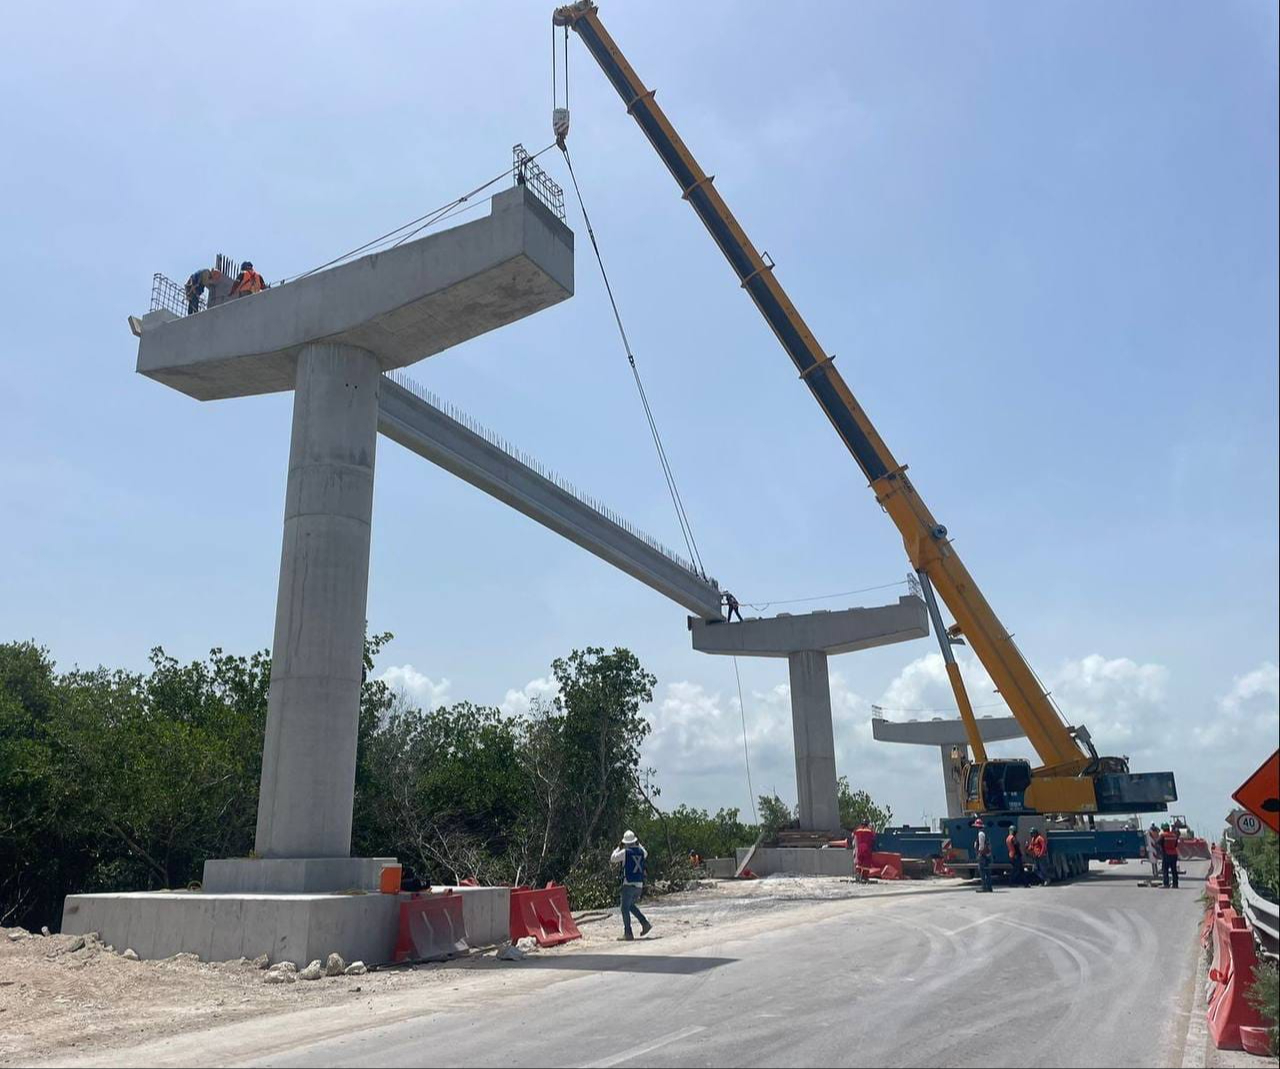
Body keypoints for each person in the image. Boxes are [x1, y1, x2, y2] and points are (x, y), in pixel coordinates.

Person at [610, 830, 652, 940]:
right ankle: (645, 923)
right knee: (630, 906)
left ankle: (628, 933)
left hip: (628, 884)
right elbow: (645, 851)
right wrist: (639, 844)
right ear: (635, 841)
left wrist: (618, 847)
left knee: (624, 908)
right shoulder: (642, 852)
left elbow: (613, 858)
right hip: (639, 884)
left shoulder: (625, 852)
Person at [1158, 822, 1180, 889]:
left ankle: (1166, 884)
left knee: (1165, 870)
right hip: (1174, 854)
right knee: (1174, 870)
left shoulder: (1163, 835)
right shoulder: (1174, 835)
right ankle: (1175, 884)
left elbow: (1158, 842)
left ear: (1163, 829)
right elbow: (1176, 845)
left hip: (1166, 854)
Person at [853, 819, 876, 883]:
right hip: (867, 848)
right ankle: (864, 877)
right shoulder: (869, 831)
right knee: (866, 863)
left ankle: (858, 874)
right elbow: (874, 837)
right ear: (867, 824)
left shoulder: (858, 830)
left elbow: (853, 835)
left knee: (859, 862)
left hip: (859, 848)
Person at [975, 818, 993, 893]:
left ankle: (984, 887)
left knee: (982, 871)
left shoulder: (980, 834)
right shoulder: (984, 833)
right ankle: (989, 887)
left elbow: (981, 845)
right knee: (987, 871)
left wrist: (979, 852)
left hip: (983, 855)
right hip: (986, 855)